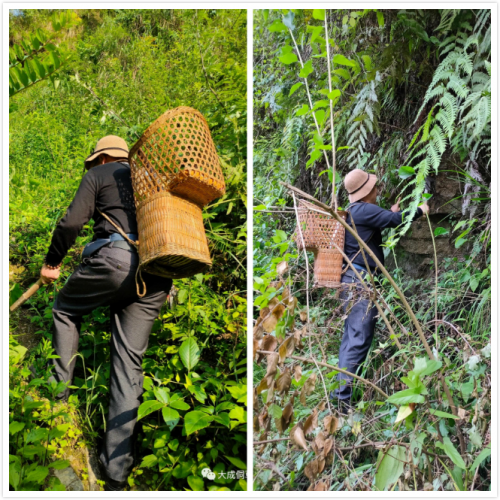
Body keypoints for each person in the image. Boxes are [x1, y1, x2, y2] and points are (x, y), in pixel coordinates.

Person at [40, 135, 172, 491]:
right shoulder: (151, 177)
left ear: (100, 159)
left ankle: (56, 398)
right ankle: (116, 473)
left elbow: (70, 223)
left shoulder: (99, 175)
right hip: (157, 273)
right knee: (129, 363)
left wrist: (52, 263)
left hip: (116, 261)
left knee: (65, 310)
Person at [332, 169, 429, 412]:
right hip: (360, 280)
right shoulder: (364, 210)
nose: (377, 190)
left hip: (349, 278)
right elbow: (396, 221)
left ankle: (339, 394)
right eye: (374, 187)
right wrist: (421, 210)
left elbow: (382, 221)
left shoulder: (354, 211)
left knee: (351, 335)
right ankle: (342, 401)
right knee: (360, 337)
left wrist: (390, 213)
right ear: (367, 192)